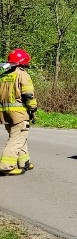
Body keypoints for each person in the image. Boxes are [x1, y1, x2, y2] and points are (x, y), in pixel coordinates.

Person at [0, 48, 38, 176]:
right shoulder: (22, 75)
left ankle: (24, 162)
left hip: (4, 113)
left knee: (20, 136)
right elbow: (28, 96)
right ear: (23, 62)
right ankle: (6, 166)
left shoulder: (3, 75)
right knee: (16, 139)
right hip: (19, 114)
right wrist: (33, 109)